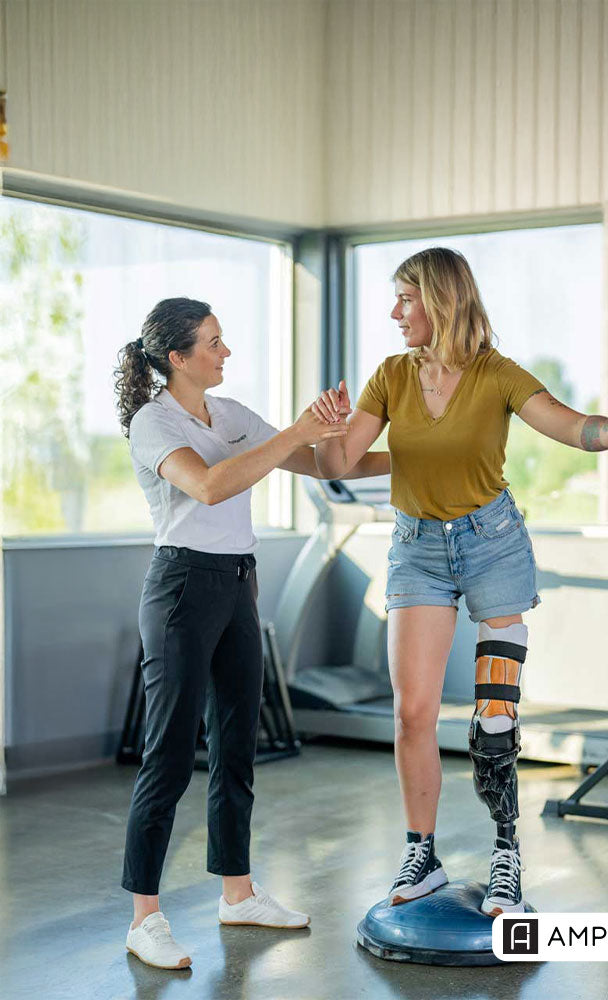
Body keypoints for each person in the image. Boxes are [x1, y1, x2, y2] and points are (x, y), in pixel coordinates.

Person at [312, 248, 608, 916]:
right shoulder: (390, 376)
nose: (394, 311)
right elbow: (338, 462)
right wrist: (328, 427)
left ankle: (505, 854)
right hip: (416, 549)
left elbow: (566, 423)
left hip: (493, 547)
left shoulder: (497, 374)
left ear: (442, 299)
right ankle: (421, 853)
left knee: (495, 718)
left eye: (406, 298)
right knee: (412, 713)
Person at [113, 296, 389, 969]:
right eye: (213, 342)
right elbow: (208, 486)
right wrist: (294, 432)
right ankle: (144, 917)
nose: (225, 352)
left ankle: (237, 893)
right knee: (172, 754)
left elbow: (326, 464)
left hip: (237, 583)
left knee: (238, 744)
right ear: (177, 357)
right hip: (181, 588)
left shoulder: (232, 416)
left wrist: (421, 458)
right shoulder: (153, 422)